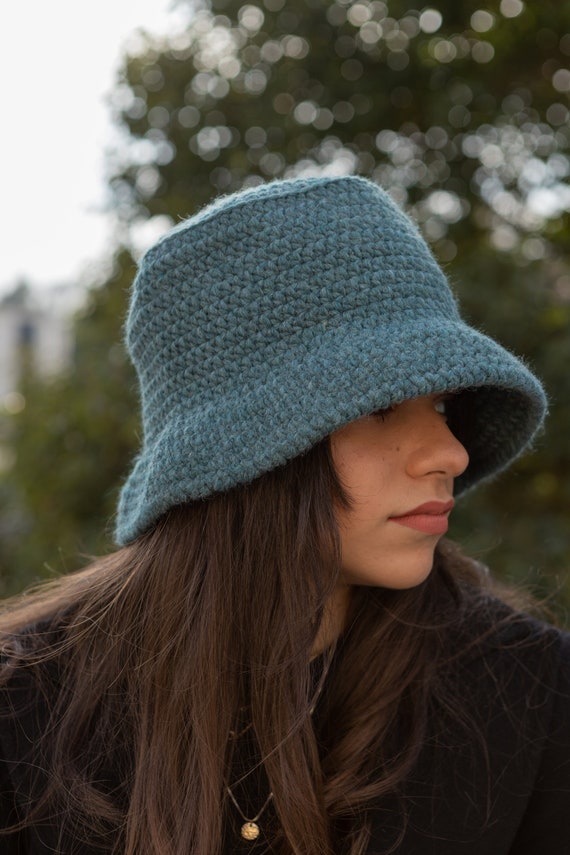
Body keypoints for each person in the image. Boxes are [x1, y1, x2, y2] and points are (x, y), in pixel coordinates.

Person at [0, 175, 567, 855]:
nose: (450, 452)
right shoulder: (26, 710)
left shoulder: (525, 695)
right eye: (381, 407)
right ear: (248, 452)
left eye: (442, 405)